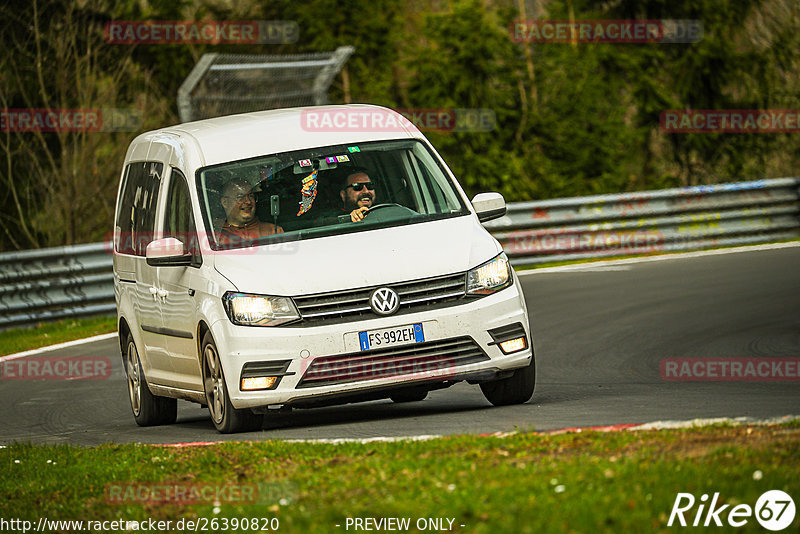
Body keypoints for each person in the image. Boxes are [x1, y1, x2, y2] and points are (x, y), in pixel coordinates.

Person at [217, 178, 282, 244]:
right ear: (225, 202)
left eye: (251, 196)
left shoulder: (273, 231)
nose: (248, 201)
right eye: (240, 197)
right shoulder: (215, 235)